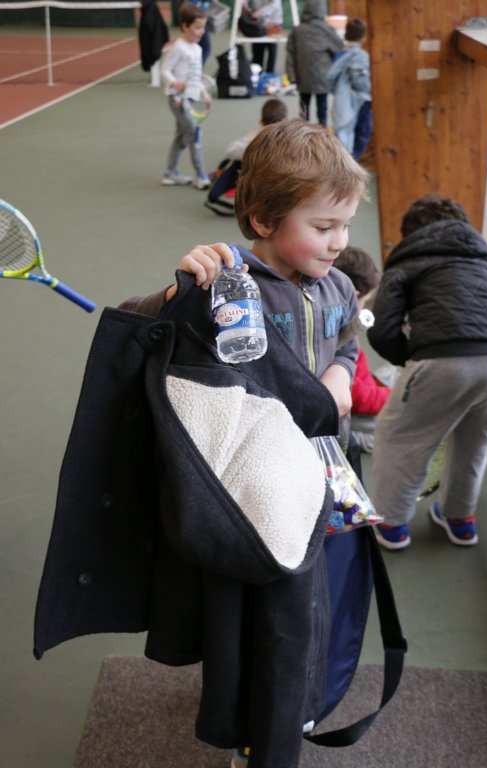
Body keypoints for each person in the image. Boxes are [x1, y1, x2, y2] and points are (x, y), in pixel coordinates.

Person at [121, 118, 369, 767]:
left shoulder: (339, 285)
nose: (339, 242)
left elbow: (348, 339)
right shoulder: (229, 285)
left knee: (309, 604)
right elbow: (138, 324)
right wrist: (180, 287)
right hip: (250, 488)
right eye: (324, 226)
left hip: (319, 473)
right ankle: (250, 724)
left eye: (346, 225)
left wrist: (341, 375)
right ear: (262, 219)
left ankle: (289, 705)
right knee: (252, 615)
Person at [367, 194, 487, 550]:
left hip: (441, 359)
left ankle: (392, 526)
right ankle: (460, 520)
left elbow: (381, 328)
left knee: (400, 437)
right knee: (474, 442)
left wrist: (410, 359)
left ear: (411, 233)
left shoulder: (408, 261)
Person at [334, 246, 392, 453]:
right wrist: (393, 395)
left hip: (365, 404)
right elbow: (356, 395)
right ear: (355, 295)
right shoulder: (339, 333)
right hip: (356, 421)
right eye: (364, 302)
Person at [160, 2, 212, 188]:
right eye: (197, 27)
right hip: (178, 100)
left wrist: (204, 93)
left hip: (190, 98)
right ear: (185, 26)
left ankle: (170, 173)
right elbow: (164, 69)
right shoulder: (178, 48)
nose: (201, 32)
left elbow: (195, 76)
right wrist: (174, 84)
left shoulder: (197, 49)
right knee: (194, 134)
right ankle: (201, 176)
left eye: (203, 27)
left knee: (181, 137)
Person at [285, 0, 344, 127]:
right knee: (322, 109)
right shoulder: (327, 29)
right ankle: (322, 134)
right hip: (322, 77)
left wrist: (291, 76)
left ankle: (301, 133)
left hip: (303, 76)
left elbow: (290, 55)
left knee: (303, 109)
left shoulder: (297, 31)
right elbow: (339, 47)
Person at [327, 17, 372, 160]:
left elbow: (331, 78)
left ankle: (346, 163)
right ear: (364, 37)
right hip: (361, 101)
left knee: (344, 135)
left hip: (341, 101)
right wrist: (371, 91)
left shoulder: (340, 54)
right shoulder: (360, 56)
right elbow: (360, 81)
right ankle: (351, 163)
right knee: (361, 134)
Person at [224, 96, 288, 160]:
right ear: (286, 120)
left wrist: (251, 138)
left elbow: (230, 151)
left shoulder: (253, 140)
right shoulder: (290, 142)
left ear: (261, 122)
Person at [242, 0, 283, 74]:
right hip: (257, 24)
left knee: (271, 54)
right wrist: (244, 3)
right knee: (257, 55)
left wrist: (259, 13)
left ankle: (269, 76)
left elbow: (275, 4)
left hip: (273, 23)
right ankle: (257, 76)